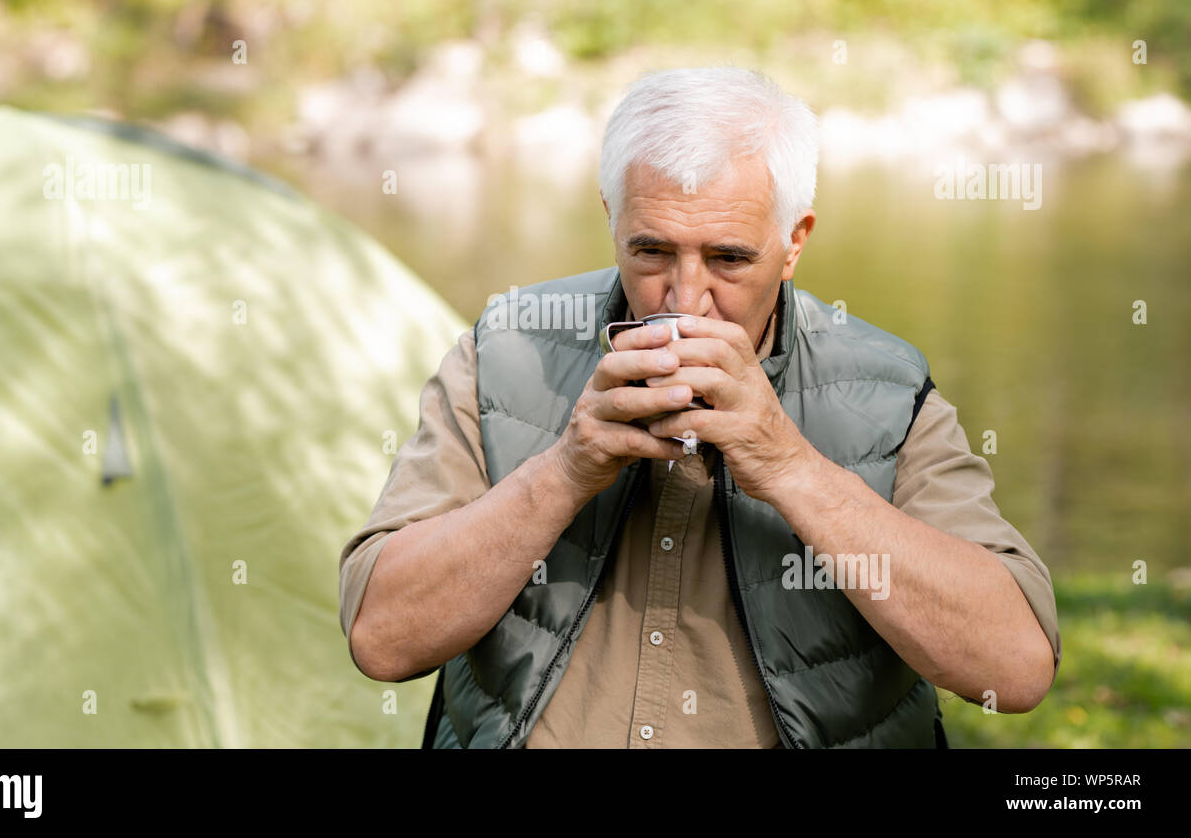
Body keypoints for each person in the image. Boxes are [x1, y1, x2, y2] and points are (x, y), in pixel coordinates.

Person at [338, 66, 1061, 748]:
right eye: (650, 251)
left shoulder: (887, 386)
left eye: (729, 258)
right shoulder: (503, 352)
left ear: (794, 243)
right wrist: (566, 469)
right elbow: (383, 639)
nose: (686, 300)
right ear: (611, 220)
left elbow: (1013, 669)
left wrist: (787, 465)